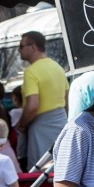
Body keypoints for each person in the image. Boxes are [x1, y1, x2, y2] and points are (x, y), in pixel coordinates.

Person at [16, 31, 68, 169]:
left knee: (42, 171)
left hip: (41, 129)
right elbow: (66, 98)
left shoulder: (31, 72)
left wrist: (21, 124)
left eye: (21, 46)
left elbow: (33, 106)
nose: (19, 50)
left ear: (33, 47)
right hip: (61, 123)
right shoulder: (58, 67)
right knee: (64, 165)